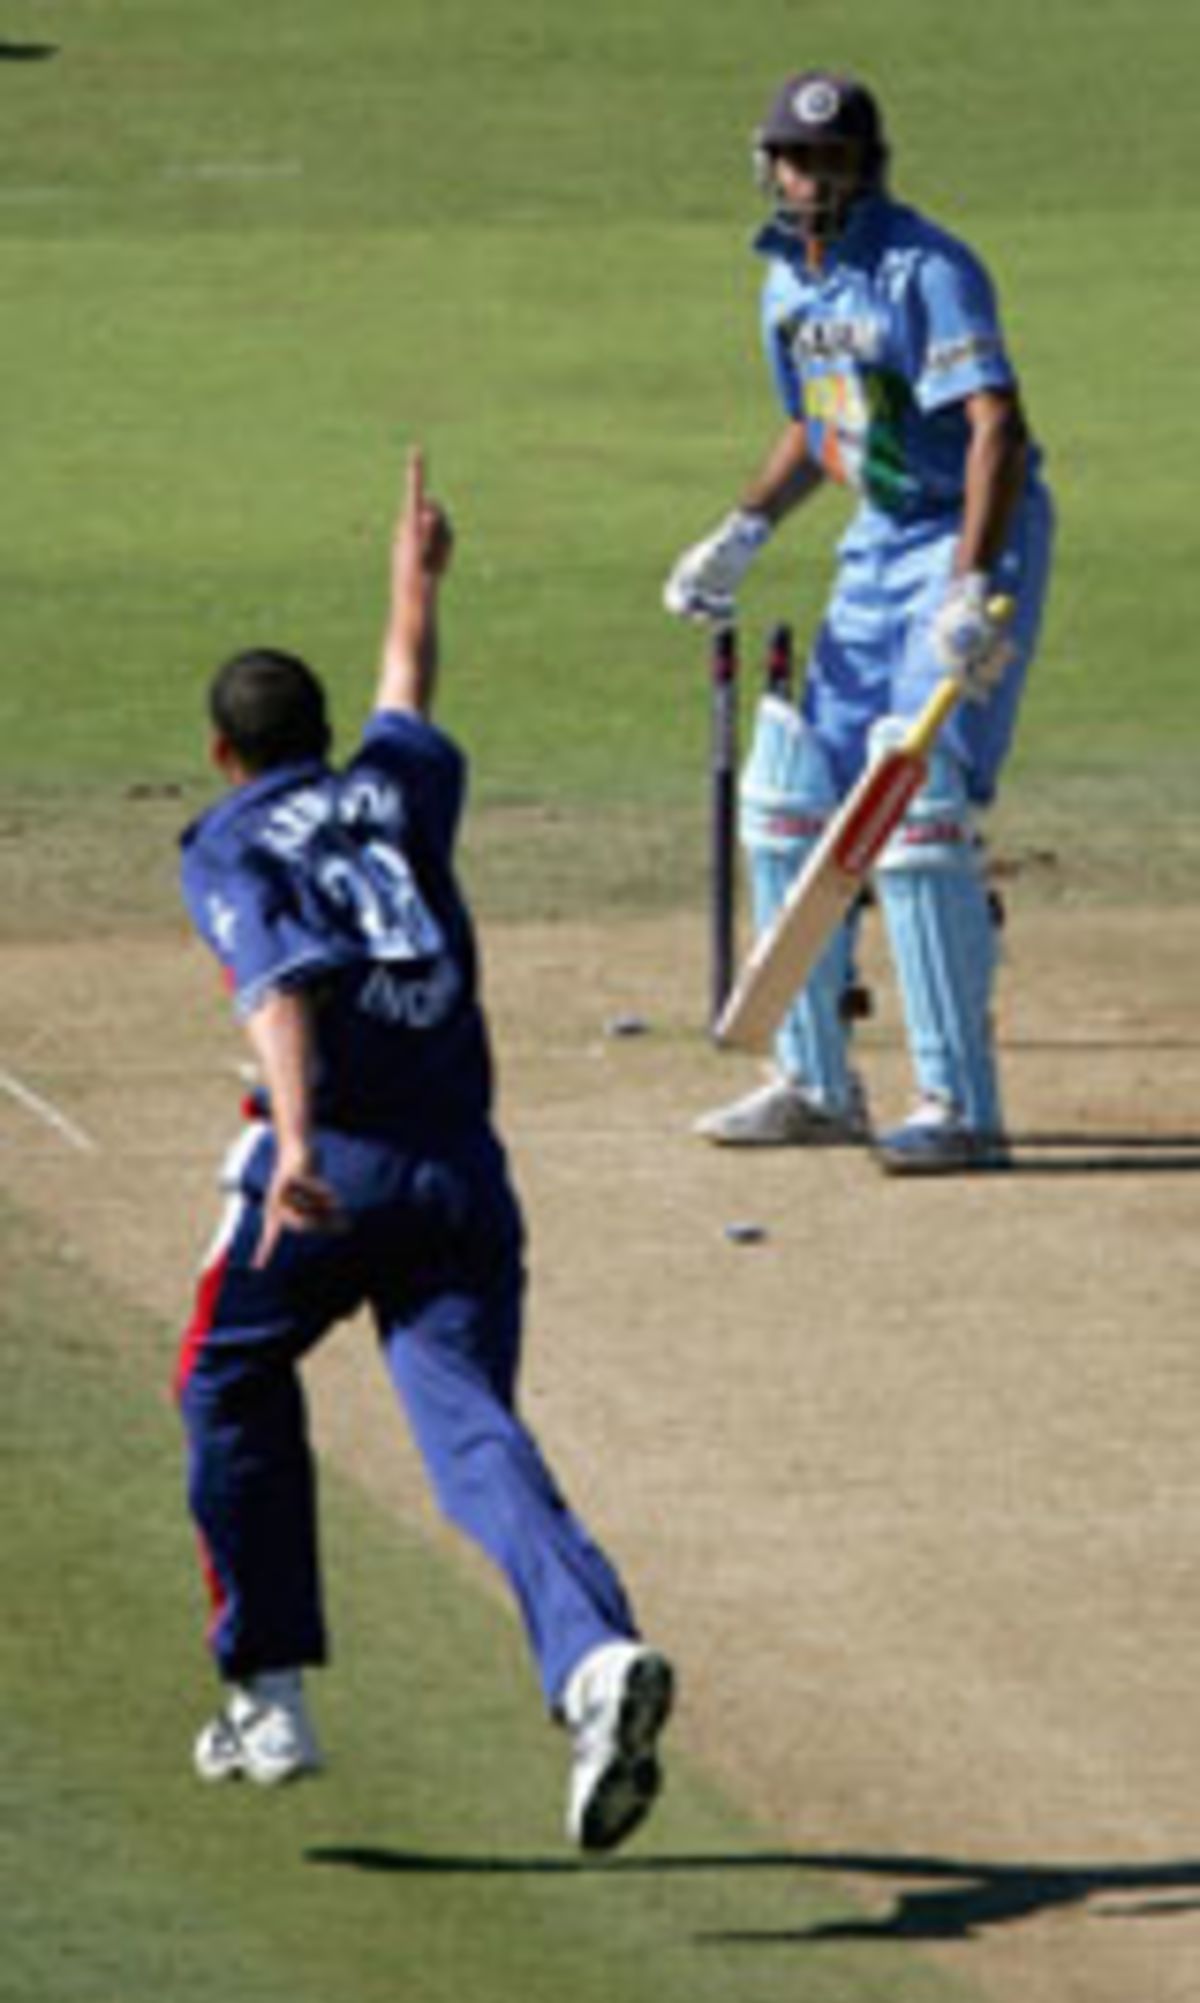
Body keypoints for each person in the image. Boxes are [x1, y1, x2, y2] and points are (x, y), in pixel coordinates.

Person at [173, 449, 673, 1852]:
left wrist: (295, 1141)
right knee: (467, 1426)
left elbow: (276, 986)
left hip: (346, 1167)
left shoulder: (226, 840)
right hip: (467, 1173)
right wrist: (415, 571)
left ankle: (265, 1691)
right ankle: (591, 1661)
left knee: (223, 1369)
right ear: (321, 731)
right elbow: (409, 687)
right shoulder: (393, 786)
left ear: (222, 751)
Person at [664, 70, 1054, 1172]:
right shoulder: (784, 280)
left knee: (919, 805)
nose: (813, 178)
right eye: (798, 159)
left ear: (867, 168)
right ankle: (814, 1083)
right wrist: (740, 531)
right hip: (877, 534)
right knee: (792, 796)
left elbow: (997, 430)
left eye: (833, 160)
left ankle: (961, 1106)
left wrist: (971, 585)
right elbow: (818, 426)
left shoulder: (926, 268)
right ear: (770, 166)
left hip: (969, 528)